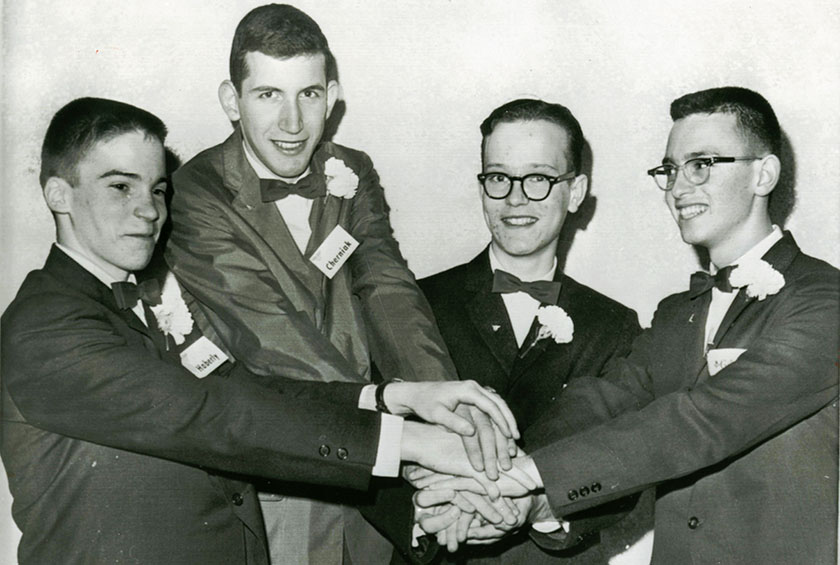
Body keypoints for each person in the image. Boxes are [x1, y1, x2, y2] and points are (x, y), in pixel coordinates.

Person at [0, 97, 520, 565]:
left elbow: (239, 389)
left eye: (157, 189)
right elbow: (209, 415)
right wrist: (411, 443)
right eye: (120, 186)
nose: (149, 209)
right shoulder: (44, 325)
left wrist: (394, 396)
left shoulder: (141, 296)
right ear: (58, 194)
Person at [413, 86, 839, 564]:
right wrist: (498, 481)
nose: (679, 187)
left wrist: (527, 474)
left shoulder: (825, 301)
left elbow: (703, 419)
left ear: (764, 173)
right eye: (671, 170)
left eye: (701, 165)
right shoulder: (678, 312)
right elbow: (602, 401)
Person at [163, 5, 498, 562]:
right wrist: (412, 439)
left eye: (309, 95)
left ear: (332, 94)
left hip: (370, 486)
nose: (293, 124)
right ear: (231, 100)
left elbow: (388, 288)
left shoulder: (353, 170)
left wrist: (448, 413)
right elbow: (272, 339)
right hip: (276, 478)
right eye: (269, 94)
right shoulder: (195, 191)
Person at [418, 99, 652, 563]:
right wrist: (423, 516)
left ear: (577, 191)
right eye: (499, 177)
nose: (515, 198)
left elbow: (620, 470)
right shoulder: (416, 303)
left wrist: (542, 506)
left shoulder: (616, 326)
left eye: (539, 178)